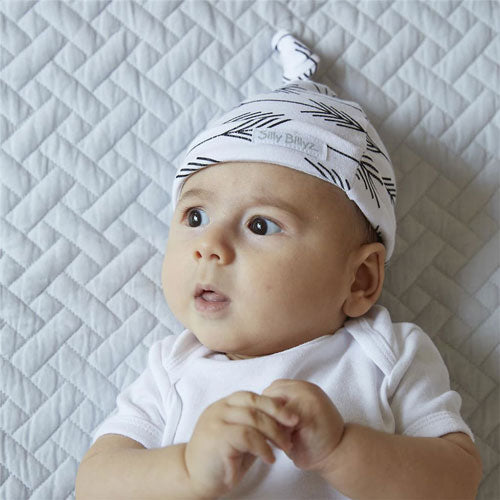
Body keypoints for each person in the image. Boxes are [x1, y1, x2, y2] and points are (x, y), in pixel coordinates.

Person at [76, 31, 482, 499]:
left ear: (360, 279)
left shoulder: (385, 354)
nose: (209, 245)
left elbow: (458, 479)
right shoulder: (173, 368)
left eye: (261, 225)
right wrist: (187, 470)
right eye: (195, 216)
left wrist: (340, 450)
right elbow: (94, 484)